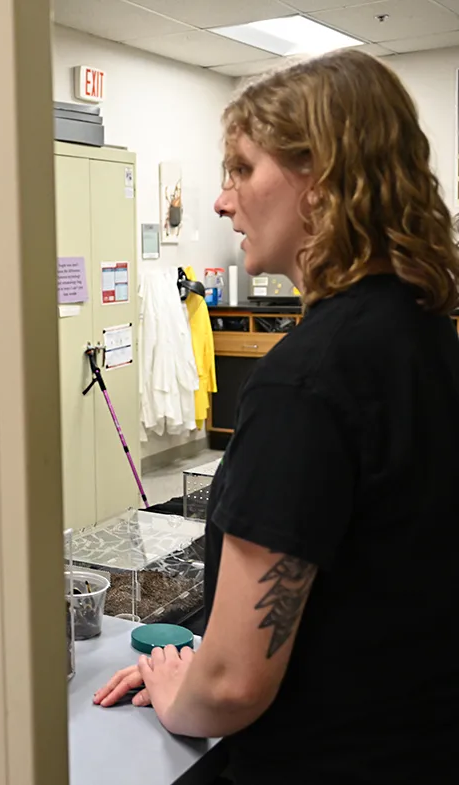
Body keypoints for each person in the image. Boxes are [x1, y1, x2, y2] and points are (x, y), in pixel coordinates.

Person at [94, 50, 459, 784]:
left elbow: (231, 686)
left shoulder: (307, 380)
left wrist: (179, 692)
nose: (223, 202)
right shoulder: (426, 332)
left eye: (242, 169)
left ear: (320, 181)